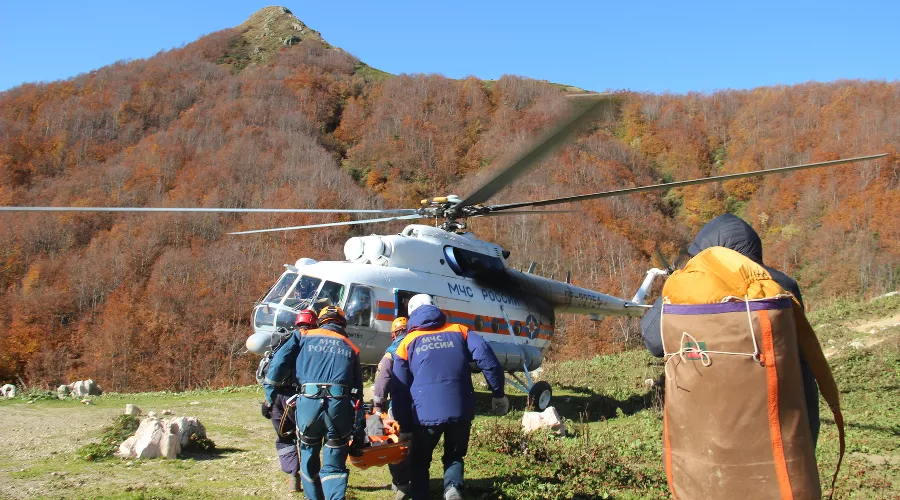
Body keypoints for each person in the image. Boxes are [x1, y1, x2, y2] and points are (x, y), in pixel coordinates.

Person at [640, 213, 820, 444]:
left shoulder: (702, 289)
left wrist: (678, 282)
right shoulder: (784, 286)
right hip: (791, 435)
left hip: (721, 434)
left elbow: (652, 340)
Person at [391, 294, 509, 500]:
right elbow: (486, 356)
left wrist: (405, 427)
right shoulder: (460, 330)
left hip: (424, 414)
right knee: (454, 456)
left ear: (411, 315)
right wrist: (498, 393)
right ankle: (452, 489)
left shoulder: (406, 342)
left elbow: (399, 388)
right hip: (461, 409)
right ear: (435, 308)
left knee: (420, 460)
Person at [265, 306, 364, 500]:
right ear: (342, 323)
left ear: (321, 321)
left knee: (309, 458)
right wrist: (359, 427)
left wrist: (270, 396)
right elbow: (357, 393)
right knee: (334, 465)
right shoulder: (351, 347)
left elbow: (278, 364)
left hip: (308, 405)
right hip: (339, 406)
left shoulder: (302, 336)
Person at [261, 309, 320, 493]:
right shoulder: (316, 343)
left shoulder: (289, 342)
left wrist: (269, 400)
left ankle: (292, 477)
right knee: (308, 439)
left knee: (285, 438)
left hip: (280, 398)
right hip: (304, 397)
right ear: (315, 324)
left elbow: (274, 370)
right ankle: (309, 478)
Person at [372, 317, 412, 499]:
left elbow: (382, 382)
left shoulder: (391, 353)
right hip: (424, 407)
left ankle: (401, 485)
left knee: (396, 447)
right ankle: (419, 483)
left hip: (400, 408)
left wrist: (377, 406)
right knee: (420, 447)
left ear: (394, 334)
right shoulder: (419, 344)